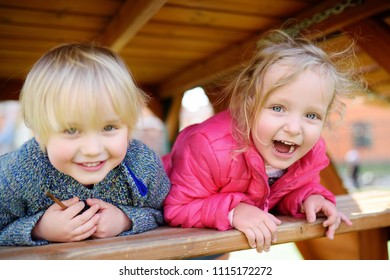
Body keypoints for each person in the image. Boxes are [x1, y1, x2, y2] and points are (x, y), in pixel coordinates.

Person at [163, 29, 364, 254]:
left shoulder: (309, 153)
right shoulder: (208, 146)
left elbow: (286, 191)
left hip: (212, 230)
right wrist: (235, 211)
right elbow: (176, 208)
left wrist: (310, 198)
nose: (294, 128)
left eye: (311, 115)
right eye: (278, 108)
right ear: (248, 105)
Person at [0, 43, 170, 246]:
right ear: (39, 132)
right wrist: (38, 229)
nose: (93, 150)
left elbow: (164, 213)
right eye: (71, 130)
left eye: (109, 127)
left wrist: (126, 220)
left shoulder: (143, 165)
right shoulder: (18, 173)